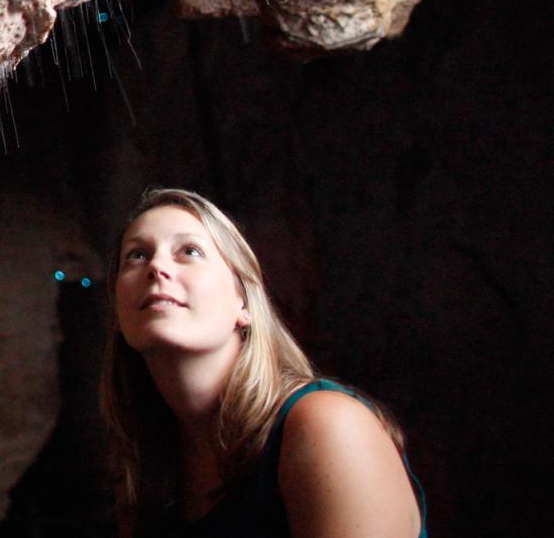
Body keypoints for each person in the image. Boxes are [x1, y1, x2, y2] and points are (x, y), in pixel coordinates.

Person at [99, 188, 427, 538]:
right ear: (118, 311)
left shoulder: (325, 424)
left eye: (189, 251)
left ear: (243, 302)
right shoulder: (148, 463)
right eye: (136, 255)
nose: (157, 267)